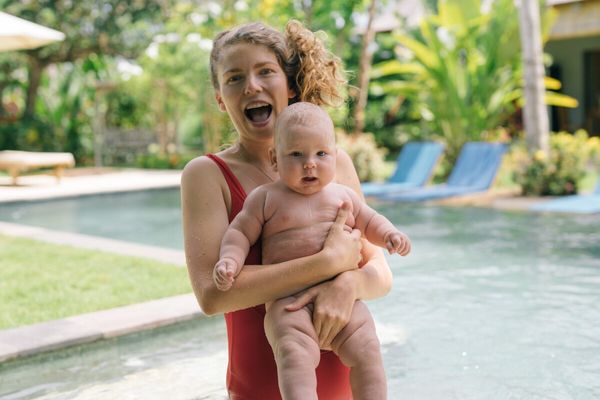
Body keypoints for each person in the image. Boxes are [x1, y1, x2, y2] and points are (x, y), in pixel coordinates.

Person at [181, 20, 394, 400]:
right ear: (220, 99)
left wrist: (348, 284)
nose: (251, 86)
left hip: (345, 382)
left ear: (290, 86)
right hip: (260, 389)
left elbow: (380, 274)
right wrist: (327, 263)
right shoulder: (207, 174)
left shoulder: (335, 164)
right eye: (234, 78)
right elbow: (213, 295)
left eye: (265, 71)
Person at [213, 102, 411, 399]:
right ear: (275, 159)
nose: (310, 164)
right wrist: (230, 260)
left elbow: (371, 221)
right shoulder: (265, 199)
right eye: (296, 154)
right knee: (294, 356)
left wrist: (390, 235)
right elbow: (239, 232)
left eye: (321, 154)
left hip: (344, 300)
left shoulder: (343, 196)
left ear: (335, 155)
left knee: (368, 348)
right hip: (289, 305)